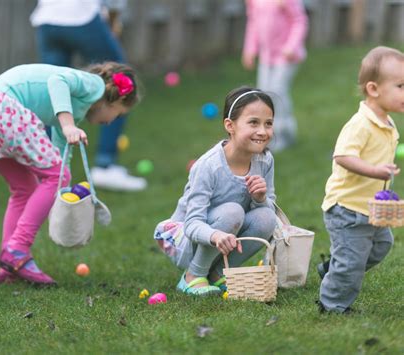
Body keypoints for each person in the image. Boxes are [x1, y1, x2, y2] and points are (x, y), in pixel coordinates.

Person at [0, 61, 141, 286]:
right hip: (5, 107)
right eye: (118, 115)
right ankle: (18, 249)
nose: (111, 122)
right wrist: (68, 125)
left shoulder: (73, 109)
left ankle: (9, 264)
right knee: (49, 178)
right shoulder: (93, 84)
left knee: (26, 188)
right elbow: (57, 81)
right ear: (116, 99)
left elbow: (60, 162)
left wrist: (59, 195)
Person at [154, 87, 277, 296]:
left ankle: (218, 273)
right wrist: (215, 235)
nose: (262, 131)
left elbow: (269, 210)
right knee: (232, 211)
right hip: (186, 241)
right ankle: (192, 276)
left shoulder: (265, 160)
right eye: (253, 122)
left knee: (267, 217)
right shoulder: (209, 166)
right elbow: (192, 224)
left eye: (268, 123)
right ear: (230, 126)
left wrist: (260, 199)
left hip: (226, 237)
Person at [318, 46, 404, 314]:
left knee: (382, 245)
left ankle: (333, 267)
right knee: (353, 262)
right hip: (347, 209)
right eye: (401, 85)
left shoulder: (387, 122)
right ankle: (333, 305)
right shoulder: (360, 124)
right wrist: (375, 170)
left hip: (372, 208)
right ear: (374, 89)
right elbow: (342, 156)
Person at [30, 0, 147, 191]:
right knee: (120, 80)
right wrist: (113, 20)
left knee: (52, 92)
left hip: (47, 19)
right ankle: (105, 164)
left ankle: (44, 169)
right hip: (81, 16)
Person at [242, 0, 308, 152]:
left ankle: (285, 133)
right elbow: (253, 22)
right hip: (267, 56)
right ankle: (267, 134)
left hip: (286, 56)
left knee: (278, 92)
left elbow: (300, 21)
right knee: (263, 95)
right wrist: (250, 49)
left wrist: (291, 46)